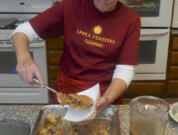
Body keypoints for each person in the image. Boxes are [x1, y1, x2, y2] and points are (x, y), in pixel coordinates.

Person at [11, 0, 140, 117]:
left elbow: (125, 69)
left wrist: (106, 99)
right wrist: (24, 58)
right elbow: (23, 31)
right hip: (68, 91)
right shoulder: (70, 6)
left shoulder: (131, 20)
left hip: (106, 92)